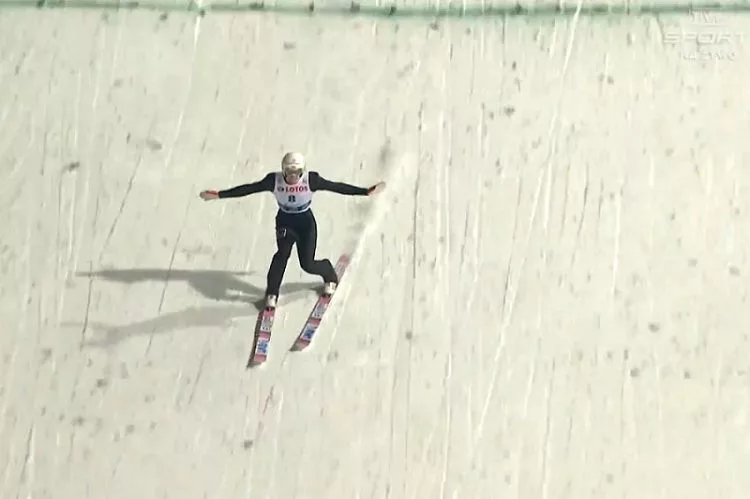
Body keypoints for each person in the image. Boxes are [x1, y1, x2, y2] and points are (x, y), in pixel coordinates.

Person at [199, 152, 385, 309]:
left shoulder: (311, 180)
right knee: (281, 255)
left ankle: (329, 274)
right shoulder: (274, 180)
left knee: (307, 264)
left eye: (297, 173)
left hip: (305, 224)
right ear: (283, 170)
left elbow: (336, 187)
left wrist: (364, 191)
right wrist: (220, 195)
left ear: (302, 171)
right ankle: (272, 292)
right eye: (289, 172)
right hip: (285, 222)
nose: (293, 177)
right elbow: (249, 189)